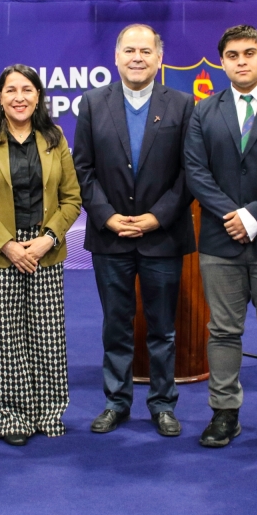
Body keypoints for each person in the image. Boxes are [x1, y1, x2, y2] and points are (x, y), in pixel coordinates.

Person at [74, 23, 195, 437]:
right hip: (110, 236)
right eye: (130, 50)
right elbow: (82, 170)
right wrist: (107, 215)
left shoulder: (182, 105)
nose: (138, 57)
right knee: (116, 324)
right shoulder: (91, 104)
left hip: (162, 235)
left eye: (146, 50)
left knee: (162, 327)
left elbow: (188, 173)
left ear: (159, 59)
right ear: (117, 56)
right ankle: (116, 401)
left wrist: (156, 217)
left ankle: (162, 404)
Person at [184, 25, 257, 450]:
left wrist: (254, 217)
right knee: (223, 331)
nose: (241, 61)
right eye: (232, 55)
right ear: (222, 62)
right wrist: (230, 215)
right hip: (220, 240)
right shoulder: (204, 111)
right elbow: (196, 171)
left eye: (249, 53)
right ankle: (224, 414)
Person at [0, 64, 81, 446]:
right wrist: (8, 245)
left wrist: (48, 239)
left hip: (45, 250)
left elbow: (72, 199)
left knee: (47, 337)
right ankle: (7, 413)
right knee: (3, 337)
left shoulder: (54, 136)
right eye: (11, 90)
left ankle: (46, 410)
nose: (19, 97)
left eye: (27, 90)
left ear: (39, 96)